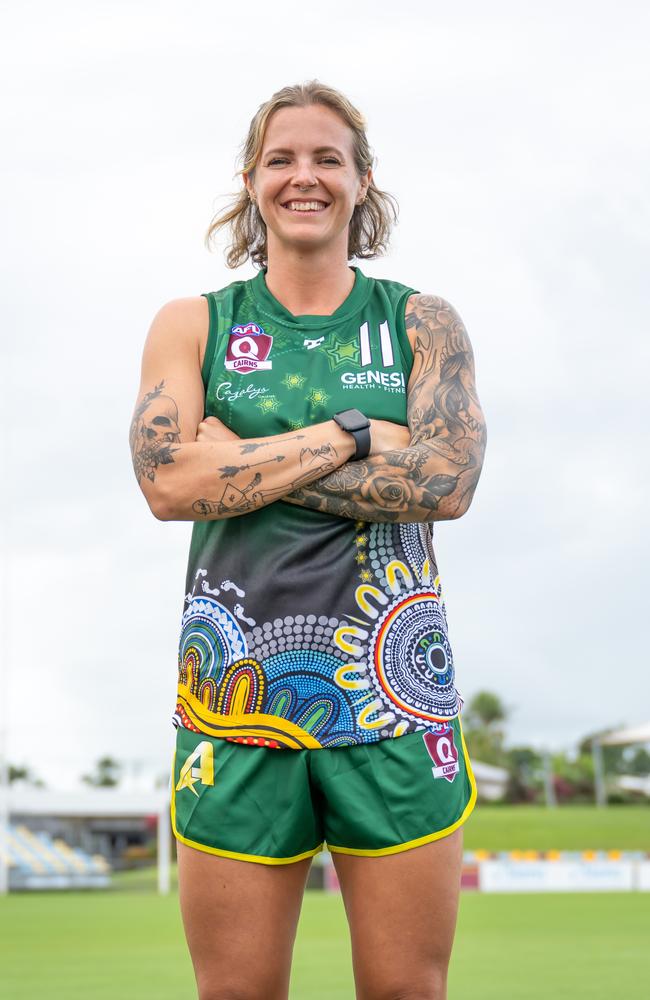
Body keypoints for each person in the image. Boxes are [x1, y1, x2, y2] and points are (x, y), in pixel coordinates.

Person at [130, 81, 486, 1000]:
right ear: (251, 181)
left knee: (408, 992)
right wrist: (358, 433)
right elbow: (169, 482)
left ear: (363, 181)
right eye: (282, 158)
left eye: (329, 158)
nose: (305, 176)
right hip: (233, 703)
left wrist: (240, 462)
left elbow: (447, 482)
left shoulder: (420, 322)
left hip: (392, 706)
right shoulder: (194, 323)